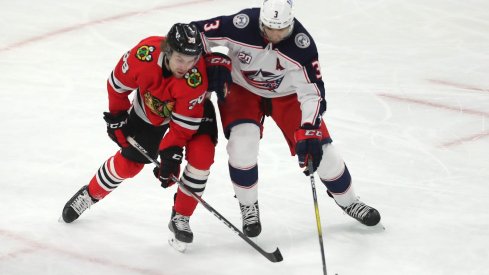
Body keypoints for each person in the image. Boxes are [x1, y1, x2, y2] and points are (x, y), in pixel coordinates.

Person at [191, 0, 381, 237]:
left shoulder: (302, 46)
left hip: (288, 95)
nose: (276, 35)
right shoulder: (240, 24)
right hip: (242, 88)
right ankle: (248, 206)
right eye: (270, 28)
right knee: (242, 145)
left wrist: (310, 128)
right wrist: (210, 60)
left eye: (282, 29)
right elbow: (192, 34)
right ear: (260, 20)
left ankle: (350, 201)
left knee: (324, 153)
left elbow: (313, 92)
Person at [61, 23, 230, 248]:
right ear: (168, 50)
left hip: (191, 111)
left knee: (202, 157)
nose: (186, 66)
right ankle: (90, 194)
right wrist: (117, 115)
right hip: (151, 108)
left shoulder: (195, 77)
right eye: (181, 59)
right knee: (129, 163)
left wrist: (171, 154)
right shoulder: (144, 55)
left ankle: (181, 217)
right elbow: (116, 85)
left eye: (192, 60)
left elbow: (182, 127)